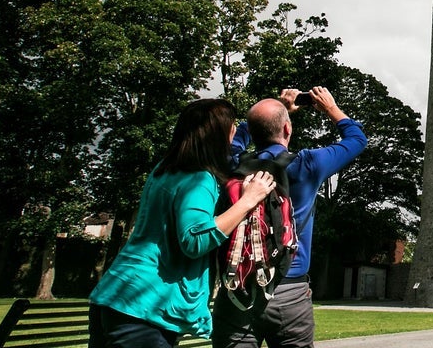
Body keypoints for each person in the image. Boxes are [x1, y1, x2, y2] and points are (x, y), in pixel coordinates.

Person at [89, 99, 277, 348]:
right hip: (144, 307)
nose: (234, 134)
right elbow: (195, 239)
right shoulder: (198, 179)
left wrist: (275, 111)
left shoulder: (165, 169)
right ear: (218, 135)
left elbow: (233, 140)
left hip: (116, 295)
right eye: (231, 128)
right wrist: (248, 200)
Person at [213, 86, 368, 348]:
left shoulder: (233, 164)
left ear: (254, 131)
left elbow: (237, 140)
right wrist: (330, 108)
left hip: (237, 287)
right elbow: (357, 140)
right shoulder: (307, 164)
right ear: (287, 129)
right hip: (289, 290)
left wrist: (277, 106)